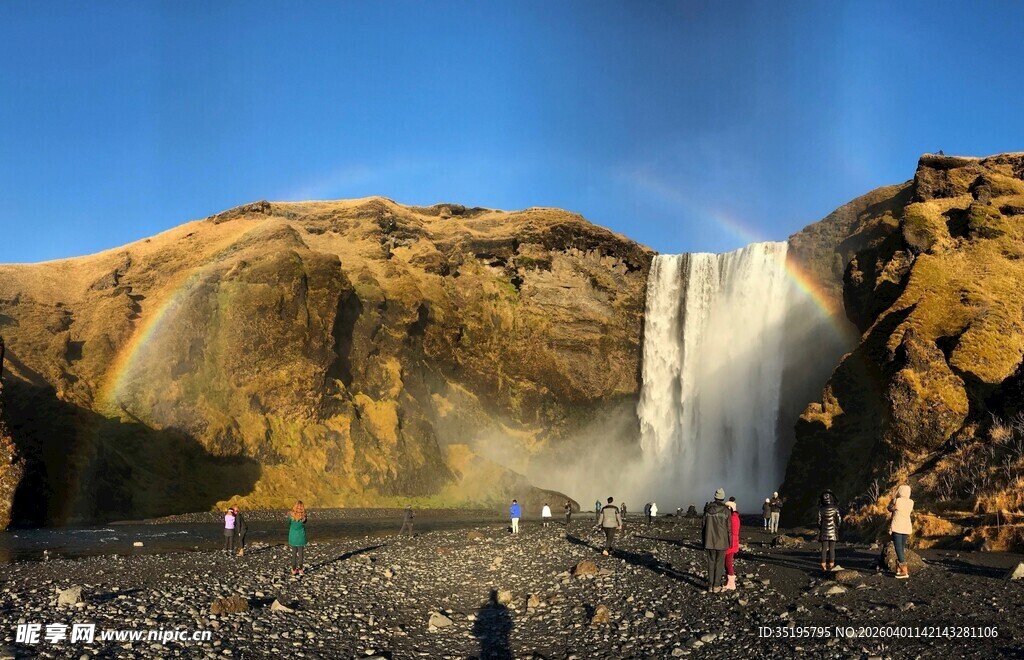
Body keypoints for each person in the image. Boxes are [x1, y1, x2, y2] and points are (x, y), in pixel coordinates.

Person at [702, 488, 730, 593]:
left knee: (711, 563)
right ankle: (716, 586)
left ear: (714, 497)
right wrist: (730, 543)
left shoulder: (707, 510)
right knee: (719, 564)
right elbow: (729, 528)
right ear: (723, 498)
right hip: (722, 541)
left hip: (709, 541)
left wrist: (704, 542)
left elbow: (703, 527)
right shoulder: (726, 511)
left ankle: (710, 586)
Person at [888, 484, 914, 579]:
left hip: (897, 526)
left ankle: (904, 570)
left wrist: (893, 499)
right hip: (906, 527)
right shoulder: (911, 502)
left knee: (898, 548)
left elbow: (889, 508)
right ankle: (899, 569)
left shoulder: (897, 500)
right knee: (901, 548)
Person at [818, 491, 842, 572]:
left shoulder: (821, 509)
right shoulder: (835, 509)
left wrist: (821, 528)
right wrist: (837, 527)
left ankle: (823, 565)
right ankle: (831, 565)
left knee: (824, 549)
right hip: (833, 532)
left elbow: (818, 521)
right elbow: (839, 520)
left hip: (824, 532)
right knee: (832, 549)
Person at [723, 499, 740, 590]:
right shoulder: (735, 517)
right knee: (727, 563)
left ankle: (731, 583)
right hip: (733, 542)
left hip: (731, 543)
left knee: (728, 563)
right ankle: (729, 582)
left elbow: (729, 531)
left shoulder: (732, 518)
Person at [288, 501, 307, 577]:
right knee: (301, 554)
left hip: (293, 536)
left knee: (294, 554)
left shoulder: (291, 516)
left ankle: (293, 569)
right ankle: (301, 569)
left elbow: (288, 523)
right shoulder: (304, 516)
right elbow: (305, 523)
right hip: (301, 537)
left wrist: (290, 515)